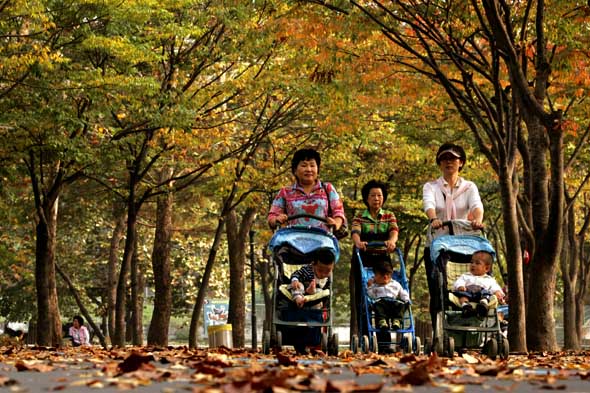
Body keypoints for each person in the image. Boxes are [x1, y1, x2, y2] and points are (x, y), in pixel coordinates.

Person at [422, 143, 484, 327]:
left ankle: (467, 327)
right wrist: (433, 219)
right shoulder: (431, 187)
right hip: (437, 246)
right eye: (444, 159)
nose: (449, 162)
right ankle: (439, 330)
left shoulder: (469, 187)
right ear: (440, 164)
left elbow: (476, 206)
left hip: (464, 247)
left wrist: (478, 220)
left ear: (461, 163)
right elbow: (429, 204)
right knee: (438, 289)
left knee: (469, 287)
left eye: (453, 159)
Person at [267, 148, 346, 233]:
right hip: (292, 241)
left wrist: (336, 224)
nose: (309, 169)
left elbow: (338, 212)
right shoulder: (285, 192)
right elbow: (272, 216)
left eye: (312, 165)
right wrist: (276, 220)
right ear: (295, 170)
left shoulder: (328, 189)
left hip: (323, 240)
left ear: (318, 169)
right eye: (304, 165)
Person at [287, 254, 335, 354]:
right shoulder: (308, 270)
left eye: (327, 271)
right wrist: (295, 280)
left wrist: (314, 293)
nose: (323, 274)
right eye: (320, 271)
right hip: (301, 293)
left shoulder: (327, 278)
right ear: (313, 265)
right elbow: (296, 274)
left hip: (314, 301)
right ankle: (299, 297)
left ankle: (310, 292)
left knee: (322, 292)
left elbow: (325, 294)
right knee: (298, 286)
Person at [366, 261, 410, 353]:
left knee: (401, 304)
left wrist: (406, 300)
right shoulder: (375, 286)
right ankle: (382, 322)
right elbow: (371, 296)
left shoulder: (395, 284)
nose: (385, 277)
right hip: (381, 306)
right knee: (377, 304)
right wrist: (369, 287)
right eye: (381, 275)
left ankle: (397, 321)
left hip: (393, 305)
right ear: (375, 276)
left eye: (388, 275)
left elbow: (402, 293)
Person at [450, 251, 505, 318]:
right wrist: (460, 286)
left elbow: (494, 287)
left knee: (487, 293)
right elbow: (458, 281)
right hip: (468, 294)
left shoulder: (489, 279)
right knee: (462, 295)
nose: (473, 265)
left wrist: (497, 292)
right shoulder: (466, 276)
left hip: (481, 296)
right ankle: (466, 306)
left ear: (486, 268)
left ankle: (483, 305)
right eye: (472, 262)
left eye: (477, 263)